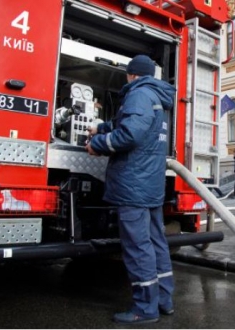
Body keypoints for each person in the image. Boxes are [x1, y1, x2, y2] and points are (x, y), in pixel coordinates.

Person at [86, 55, 176, 325]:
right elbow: (134, 126)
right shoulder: (156, 97)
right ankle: (163, 301)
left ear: (131, 75)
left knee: (138, 248)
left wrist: (98, 143)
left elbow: (130, 135)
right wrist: (100, 127)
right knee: (156, 243)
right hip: (150, 184)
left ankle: (144, 309)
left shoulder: (138, 95)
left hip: (133, 185)